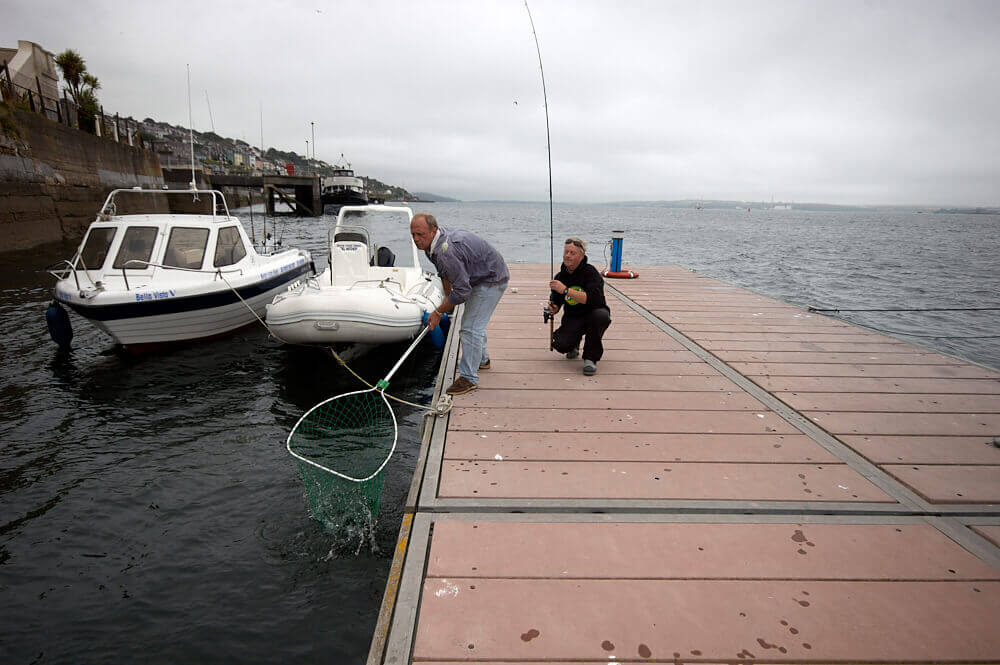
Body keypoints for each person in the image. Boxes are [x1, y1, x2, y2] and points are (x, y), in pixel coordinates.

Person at [410, 212, 509, 395]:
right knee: (474, 320)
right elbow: (444, 273)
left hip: (491, 279)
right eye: (413, 234)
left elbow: (463, 291)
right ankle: (482, 360)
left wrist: (438, 312)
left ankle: (468, 378)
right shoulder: (431, 245)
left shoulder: (445, 251)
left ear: (433, 231)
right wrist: (448, 298)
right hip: (477, 275)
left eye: (420, 234)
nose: (416, 239)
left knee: (470, 327)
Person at [548, 237, 611, 376]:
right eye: (566, 252)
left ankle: (590, 358)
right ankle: (574, 344)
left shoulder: (591, 273)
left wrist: (565, 290)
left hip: (594, 313)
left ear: (582, 256)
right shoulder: (560, 276)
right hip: (573, 317)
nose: (568, 256)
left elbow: (592, 299)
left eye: (572, 253)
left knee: (601, 316)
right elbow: (557, 301)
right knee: (561, 344)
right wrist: (553, 308)